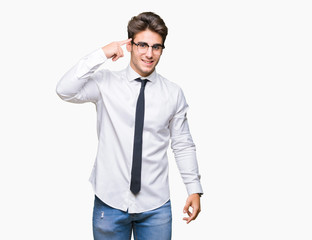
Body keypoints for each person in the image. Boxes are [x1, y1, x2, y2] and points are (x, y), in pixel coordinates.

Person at [56, 12, 203, 240]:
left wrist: (193, 188)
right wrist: (101, 53)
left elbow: (183, 143)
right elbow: (64, 90)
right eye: (142, 44)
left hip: (156, 207)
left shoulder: (173, 94)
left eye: (156, 47)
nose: (149, 53)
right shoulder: (105, 83)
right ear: (130, 45)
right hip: (109, 201)